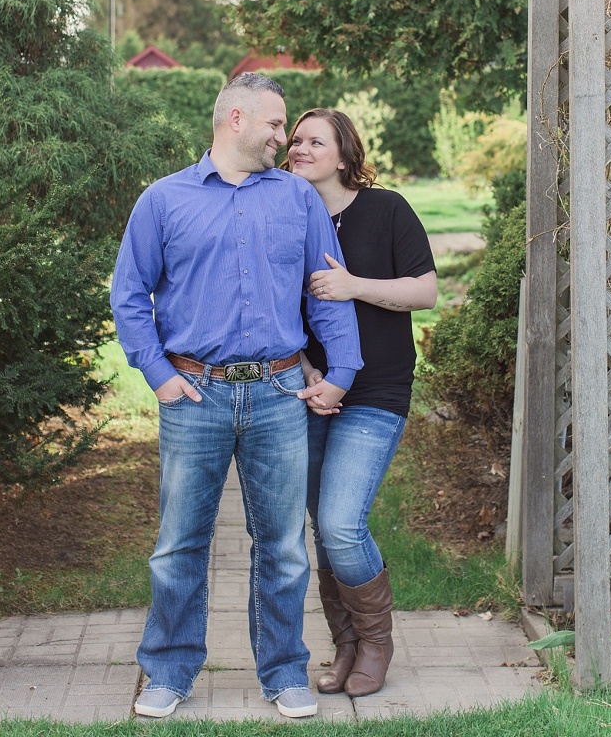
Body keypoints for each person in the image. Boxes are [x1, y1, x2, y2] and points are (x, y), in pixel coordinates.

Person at [110, 75, 362, 720]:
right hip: (194, 394)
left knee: (281, 544)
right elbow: (130, 296)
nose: (287, 139)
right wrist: (159, 374)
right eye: (277, 125)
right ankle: (167, 671)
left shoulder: (297, 201)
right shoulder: (164, 201)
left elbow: (324, 289)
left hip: (280, 392)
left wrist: (342, 369)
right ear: (236, 119)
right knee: (179, 545)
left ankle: (284, 674)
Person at [286, 108, 437, 698]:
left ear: (345, 155)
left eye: (313, 141)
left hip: (377, 392)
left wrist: (353, 286)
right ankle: (345, 646)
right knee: (323, 528)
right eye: (294, 140)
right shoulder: (287, 216)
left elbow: (424, 291)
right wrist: (309, 374)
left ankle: (376, 642)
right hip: (311, 390)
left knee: (343, 525)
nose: (297, 148)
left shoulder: (387, 209)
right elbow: (279, 311)